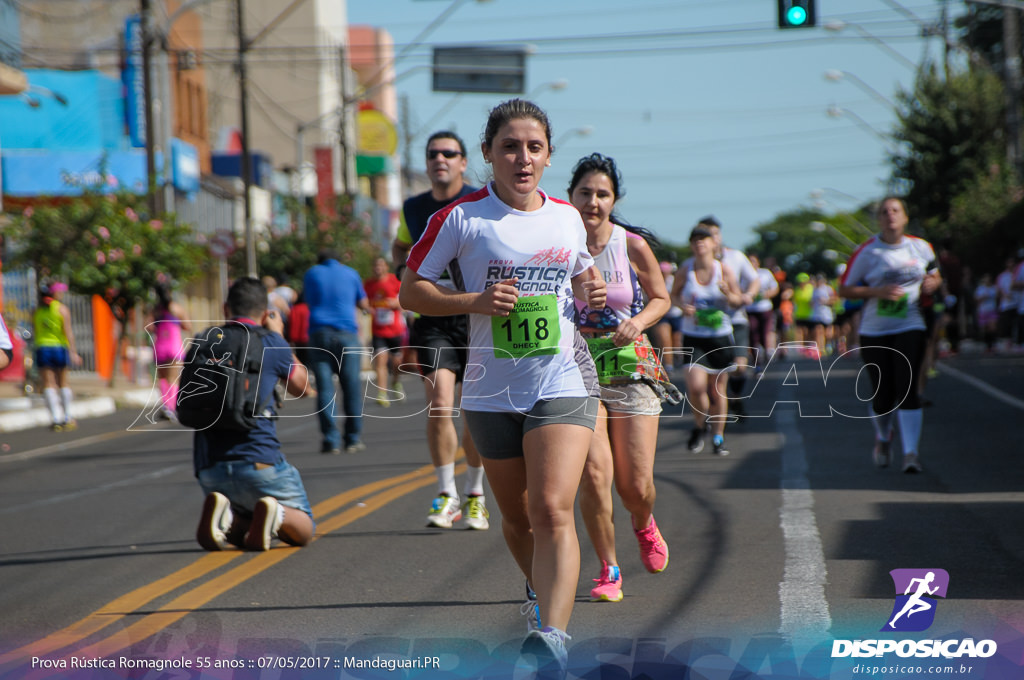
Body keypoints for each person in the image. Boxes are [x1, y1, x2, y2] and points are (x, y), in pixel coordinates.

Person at [399, 99, 607, 676]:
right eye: (510, 146)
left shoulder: (566, 216)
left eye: (534, 148)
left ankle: (554, 637)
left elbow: (581, 268)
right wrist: (474, 302)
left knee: (550, 508)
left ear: (547, 157)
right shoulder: (462, 218)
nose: (522, 158)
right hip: (490, 387)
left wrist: (591, 289)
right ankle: (539, 592)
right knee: (515, 517)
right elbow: (411, 291)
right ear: (487, 153)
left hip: (559, 377)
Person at [569, 152, 672, 604]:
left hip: (627, 358)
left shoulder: (629, 244)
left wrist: (640, 322)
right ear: (570, 196)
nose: (593, 202)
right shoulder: (554, 241)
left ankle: (643, 522)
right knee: (594, 473)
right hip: (575, 362)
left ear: (614, 200)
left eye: (602, 194)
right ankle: (608, 568)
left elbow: (661, 298)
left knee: (634, 485)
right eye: (585, 193)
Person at [393, 131, 489, 531]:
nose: (440, 159)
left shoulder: (479, 202)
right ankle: (446, 492)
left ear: (463, 162)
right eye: (433, 153)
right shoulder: (413, 208)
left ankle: (476, 494)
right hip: (433, 318)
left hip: (477, 317)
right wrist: (403, 269)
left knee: (477, 410)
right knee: (440, 403)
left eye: (449, 153)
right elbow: (401, 248)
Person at [192, 276, 316, 552]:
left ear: (226, 309)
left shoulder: (203, 342)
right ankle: (277, 512)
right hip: (259, 464)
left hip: (209, 470)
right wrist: (280, 336)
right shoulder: (271, 341)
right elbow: (303, 387)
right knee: (305, 528)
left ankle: (229, 516)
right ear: (265, 313)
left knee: (244, 532)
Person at [838, 197, 941, 473]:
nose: (890, 216)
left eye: (895, 211)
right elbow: (844, 290)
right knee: (883, 395)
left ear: (905, 217)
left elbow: (934, 273)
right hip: (875, 330)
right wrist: (877, 291)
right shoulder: (868, 252)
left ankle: (910, 453)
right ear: (879, 220)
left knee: (907, 388)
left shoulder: (921, 247)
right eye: (884, 212)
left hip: (910, 323)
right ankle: (884, 437)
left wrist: (934, 282)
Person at [671, 225, 744, 455]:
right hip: (694, 336)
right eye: (695, 240)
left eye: (704, 239)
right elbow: (672, 295)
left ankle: (718, 436)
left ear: (714, 244)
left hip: (720, 336)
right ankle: (699, 425)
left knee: (717, 390)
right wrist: (683, 307)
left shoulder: (724, 270)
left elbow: (737, 301)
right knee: (696, 387)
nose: (699, 243)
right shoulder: (686, 269)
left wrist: (727, 294)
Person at [303, 249, 371, 454]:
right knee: (351, 387)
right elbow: (363, 303)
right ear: (339, 260)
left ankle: (330, 440)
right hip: (346, 333)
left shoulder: (311, 273)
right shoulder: (351, 273)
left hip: (319, 333)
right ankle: (352, 439)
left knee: (325, 389)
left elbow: (309, 300)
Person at [702, 217, 759, 414]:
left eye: (715, 234)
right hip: (711, 325)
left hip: (736, 319)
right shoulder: (694, 263)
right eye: (706, 235)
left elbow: (754, 280)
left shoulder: (735, 257)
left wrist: (748, 295)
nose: (712, 239)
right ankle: (718, 405)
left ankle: (734, 397)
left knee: (740, 366)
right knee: (713, 373)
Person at [33, 282, 81, 431]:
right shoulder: (61, 309)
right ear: (54, 294)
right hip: (59, 348)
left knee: (48, 383)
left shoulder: (36, 311)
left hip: (42, 348)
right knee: (63, 383)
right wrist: (73, 352)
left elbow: (35, 330)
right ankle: (67, 417)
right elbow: (68, 332)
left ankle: (55, 418)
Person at [364, 257, 407, 407]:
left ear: (385, 267)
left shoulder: (394, 281)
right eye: (375, 265)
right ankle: (382, 393)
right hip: (378, 330)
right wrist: (368, 308)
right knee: (380, 360)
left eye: (380, 265)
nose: (378, 268)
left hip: (395, 329)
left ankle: (395, 381)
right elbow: (363, 302)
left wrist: (396, 303)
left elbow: (405, 300)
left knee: (396, 362)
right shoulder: (368, 285)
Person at [150, 282, 192, 420]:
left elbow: (149, 326)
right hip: (174, 346)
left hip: (160, 345)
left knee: (162, 378)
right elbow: (187, 326)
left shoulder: (155, 310)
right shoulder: (176, 308)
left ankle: (166, 405)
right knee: (174, 379)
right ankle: (172, 408)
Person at [745, 252, 779, 369]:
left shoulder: (765, 273)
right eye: (749, 261)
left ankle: (766, 354)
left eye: (753, 261)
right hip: (750, 309)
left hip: (764, 308)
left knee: (764, 334)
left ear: (758, 262)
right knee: (753, 333)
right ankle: (756, 360)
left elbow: (775, 288)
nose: (751, 264)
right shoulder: (744, 275)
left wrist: (767, 294)